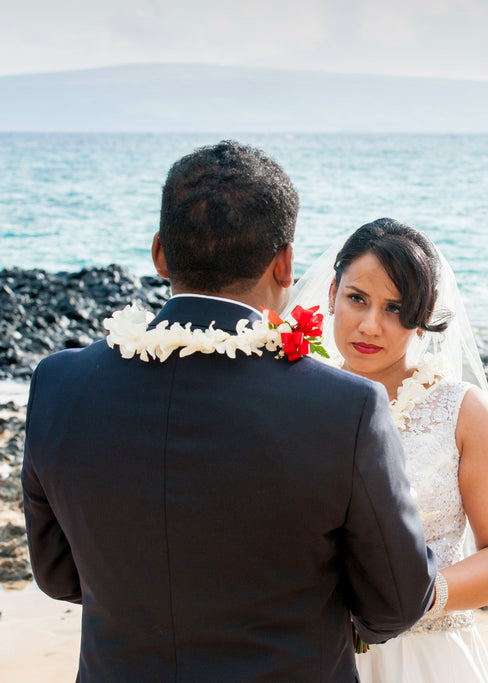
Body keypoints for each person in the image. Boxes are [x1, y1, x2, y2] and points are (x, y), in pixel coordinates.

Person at [22, 141, 438, 682]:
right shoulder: (347, 407)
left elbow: (57, 575)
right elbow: (397, 603)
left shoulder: (58, 384)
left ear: (160, 255)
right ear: (285, 263)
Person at [288, 217, 488, 681]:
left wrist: (410, 599)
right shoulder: (295, 396)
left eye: (396, 309)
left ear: (423, 316)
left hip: (425, 660)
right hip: (314, 653)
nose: (371, 325)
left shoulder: (463, 412)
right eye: (357, 298)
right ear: (333, 291)